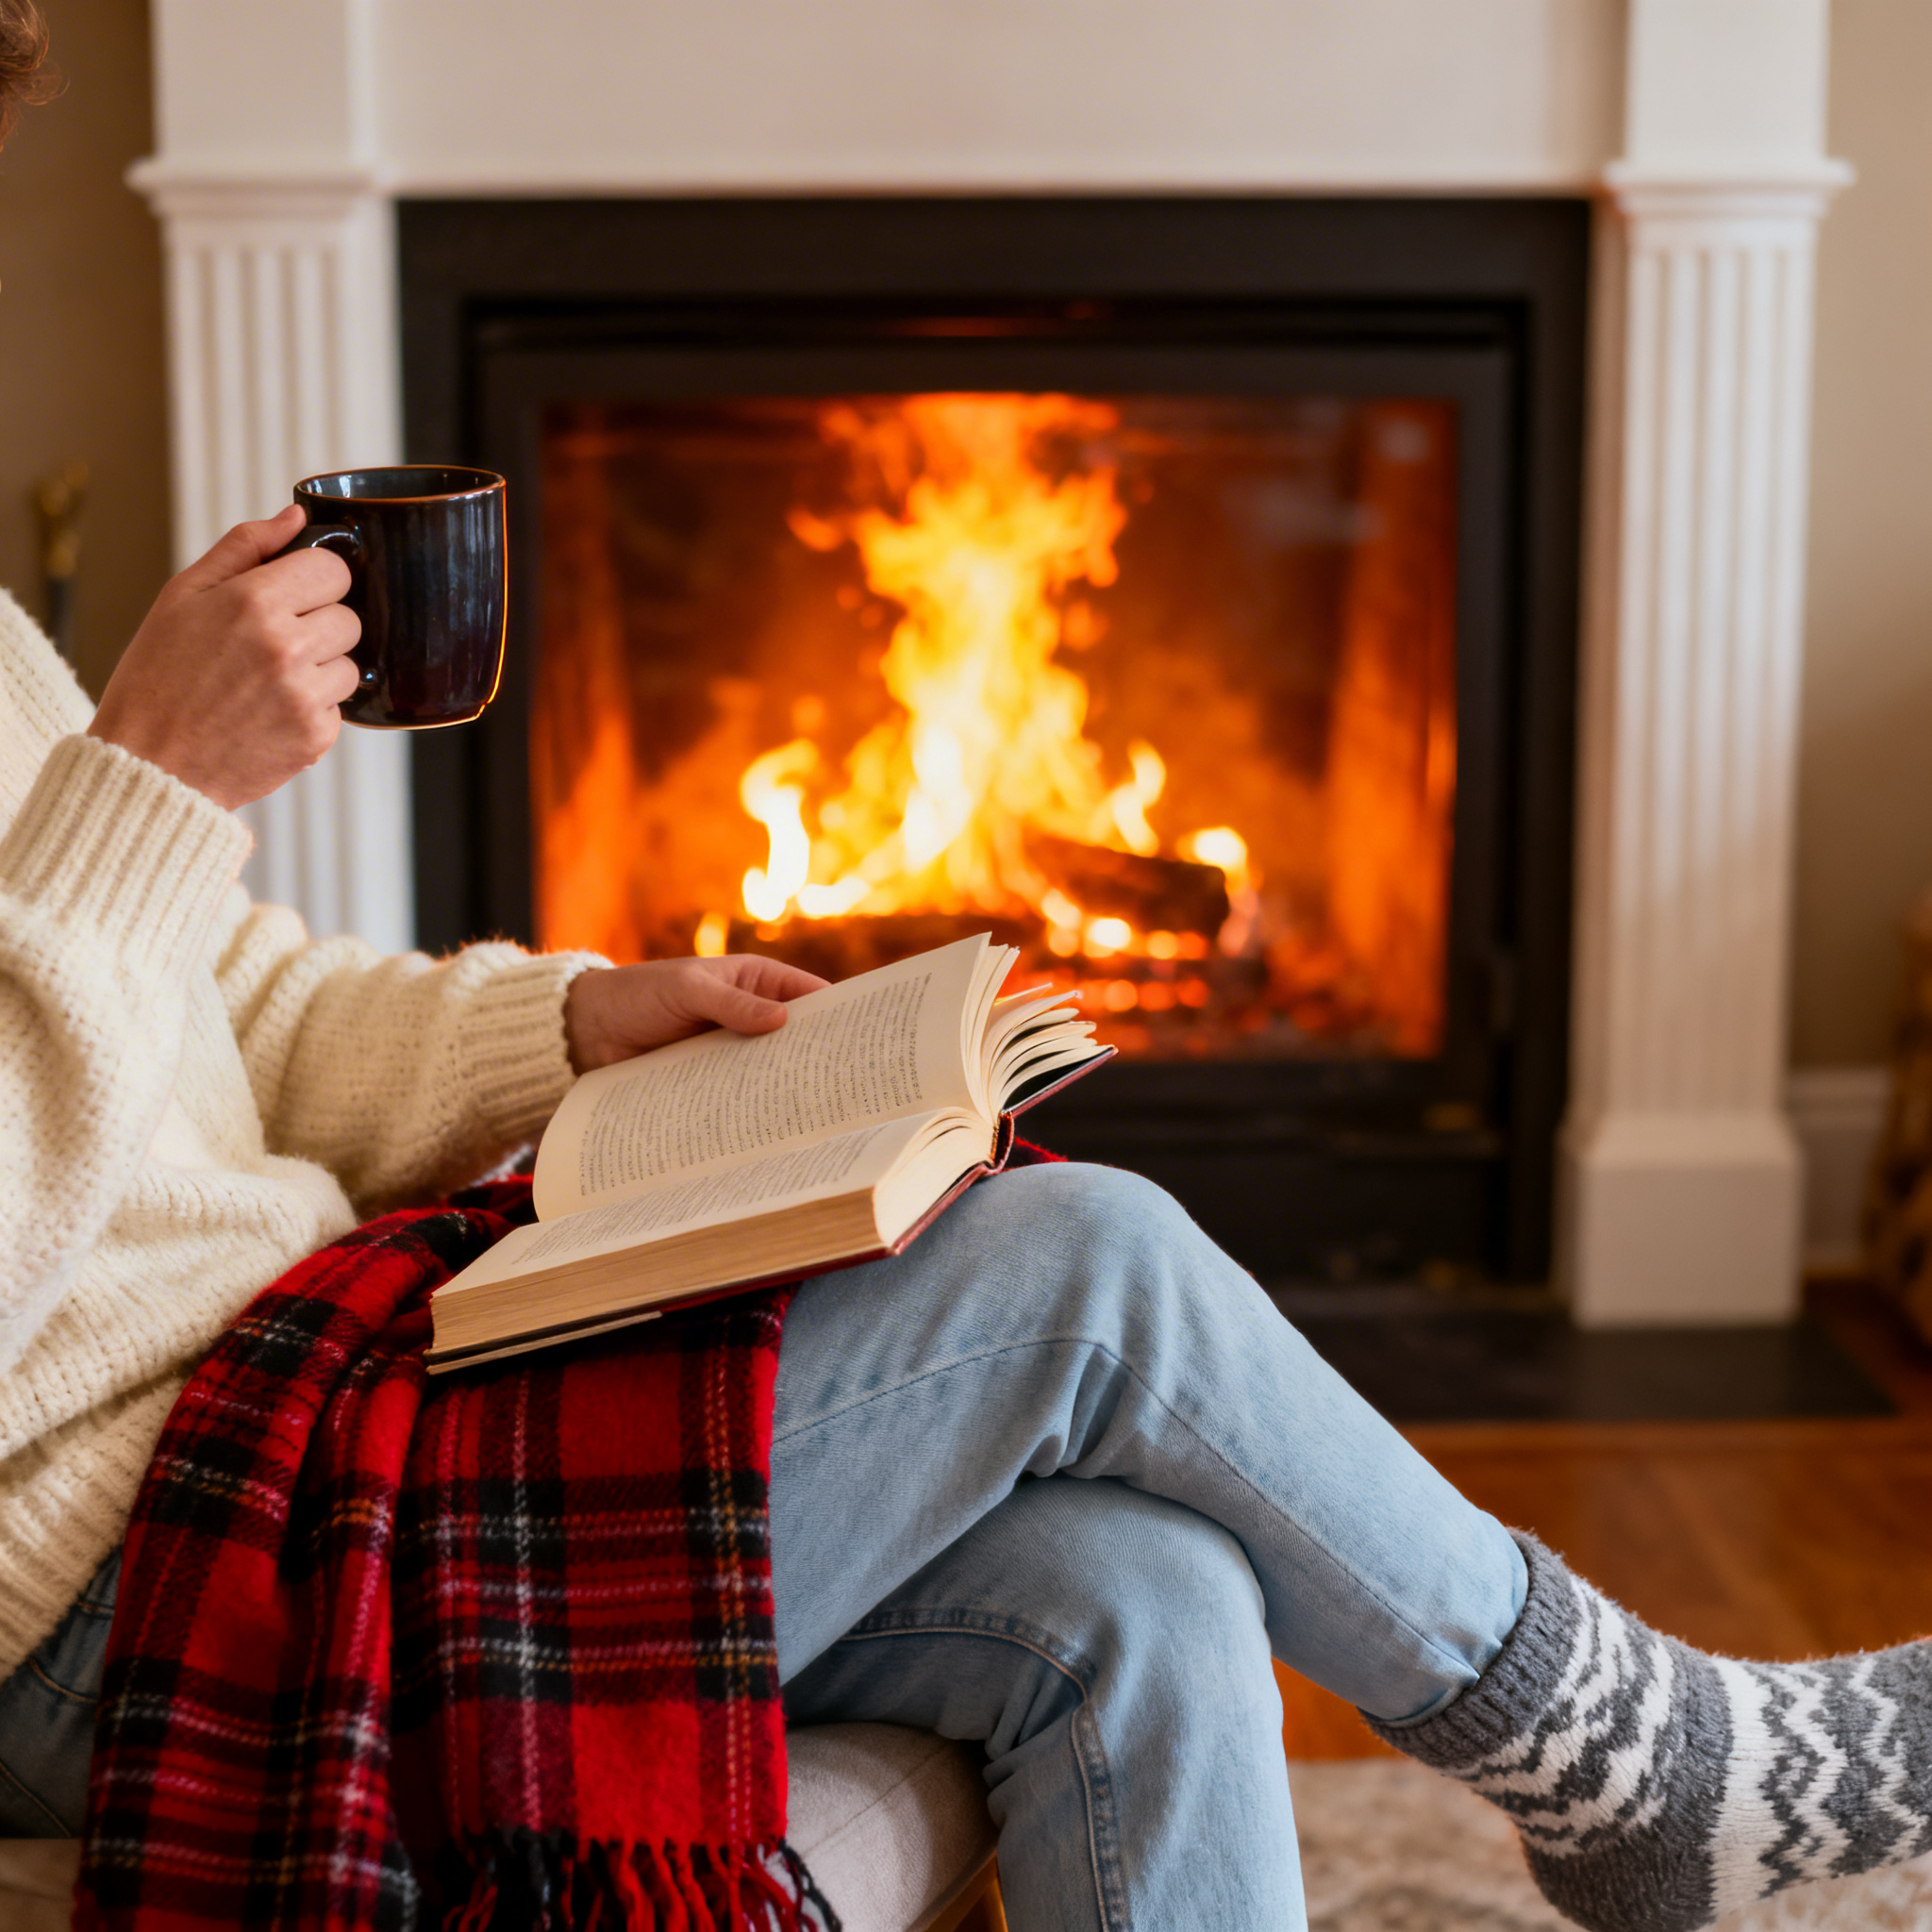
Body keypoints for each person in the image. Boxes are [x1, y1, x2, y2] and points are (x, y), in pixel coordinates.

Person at [2, 10, 1929, 1928]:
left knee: (1140, 1596)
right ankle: (1634, 1757)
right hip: (127, 1590)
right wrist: (149, 785)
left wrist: (575, 1018)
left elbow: (221, 1004)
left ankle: (1635, 1766)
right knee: (1086, 1269)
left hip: (295, 1404)